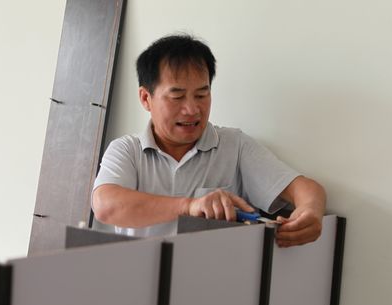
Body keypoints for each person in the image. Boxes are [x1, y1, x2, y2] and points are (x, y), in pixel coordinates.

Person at [92, 34, 326, 247]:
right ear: (146, 98)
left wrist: (310, 211)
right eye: (177, 96)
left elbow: (305, 188)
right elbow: (105, 206)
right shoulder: (126, 150)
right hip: (140, 275)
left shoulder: (235, 146)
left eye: (202, 95)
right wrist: (190, 206)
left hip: (213, 275)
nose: (192, 109)